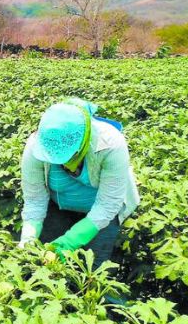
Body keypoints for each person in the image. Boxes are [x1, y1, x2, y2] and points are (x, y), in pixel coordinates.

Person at [18, 99, 140, 270]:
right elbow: (34, 199)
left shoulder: (111, 144)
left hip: (102, 212)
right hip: (59, 208)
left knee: (95, 269)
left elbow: (108, 204)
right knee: (44, 265)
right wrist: (28, 239)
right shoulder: (35, 148)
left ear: (83, 143)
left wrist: (70, 241)